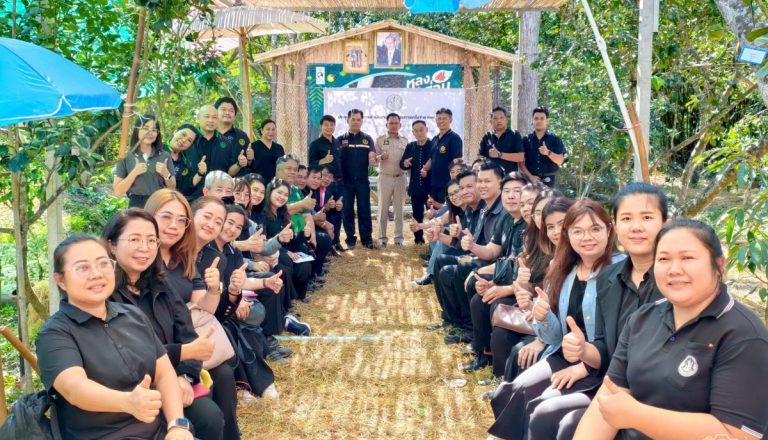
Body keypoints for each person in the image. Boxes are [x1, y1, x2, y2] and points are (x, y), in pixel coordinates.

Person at [574, 219, 768, 440]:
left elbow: (736, 435)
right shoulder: (641, 319)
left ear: (718, 265)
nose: (674, 270)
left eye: (687, 258)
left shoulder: (744, 335)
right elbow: (608, 400)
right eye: (664, 259)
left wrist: (636, 416)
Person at [528, 182, 667, 440]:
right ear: (617, 225)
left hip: (653, 396)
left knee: (557, 419)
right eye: (627, 218)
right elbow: (605, 346)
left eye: (647, 217)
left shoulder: (673, 280)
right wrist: (583, 350)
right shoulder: (609, 278)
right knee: (542, 413)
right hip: (612, 382)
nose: (636, 227)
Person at [487, 199, 624, 440]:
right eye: (577, 231)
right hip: (564, 354)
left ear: (609, 230)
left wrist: (584, 365)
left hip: (601, 365)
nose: (587, 237)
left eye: (595, 229)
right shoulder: (562, 269)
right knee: (512, 391)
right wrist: (543, 316)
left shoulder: (622, 270)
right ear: (568, 235)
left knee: (540, 407)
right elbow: (554, 337)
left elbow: (623, 337)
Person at [37, 234, 193, 440]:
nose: (96, 274)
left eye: (103, 264)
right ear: (61, 280)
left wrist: (177, 425)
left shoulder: (133, 314)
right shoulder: (54, 333)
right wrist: (128, 402)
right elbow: (75, 388)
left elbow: (164, 372)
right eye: (83, 268)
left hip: (156, 431)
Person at [103, 209, 225, 440]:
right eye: (134, 239)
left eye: (151, 241)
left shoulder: (161, 285)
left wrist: (185, 377)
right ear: (112, 245)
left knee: (209, 416)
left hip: (172, 381)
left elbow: (188, 335)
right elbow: (123, 353)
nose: (144, 248)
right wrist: (183, 353)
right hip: (128, 391)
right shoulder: (103, 292)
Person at [143, 189, 242, 440]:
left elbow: (200, 309)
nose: (173, 226)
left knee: (224, 375)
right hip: (154, 352)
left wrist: (215, 288)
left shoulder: (185, 258)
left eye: (180, 220)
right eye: (166, 217)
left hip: (183, 341)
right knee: (207, 412)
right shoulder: (142, 259)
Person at [191, 196, 278, 399]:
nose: (231, 229)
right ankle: (247, 384)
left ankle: (255, 383)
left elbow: (237, 282)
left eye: (238, 227)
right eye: (228, 222)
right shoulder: (198, 251)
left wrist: (257, 286)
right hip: (203, 314)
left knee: (249, 320)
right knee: (236, 327)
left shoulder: (224, 253)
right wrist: (234, 297)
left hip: (216, 307)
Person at [462, 172, 530, 372]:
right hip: (510, 275)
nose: (511, 196)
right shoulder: (507, 219)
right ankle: (483, 350)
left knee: (490, 301)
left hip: (523, 283)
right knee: (478, 290)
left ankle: (493, 354)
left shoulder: (532, 226)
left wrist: (502, 286)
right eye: (507, 191)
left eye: (517, 192)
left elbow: (521, 266)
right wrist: (472, 246)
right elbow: (493, 250)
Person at [113, 114, 176, 208]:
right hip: (136, 205)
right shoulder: (125, 156)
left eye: (154, 130)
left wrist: (166, 174)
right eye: (145, 128)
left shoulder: (164, 155)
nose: (150, 132)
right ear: (137, 130)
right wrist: (134, 173)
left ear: (157, 133)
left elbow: (172, 188)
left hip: (159, 203)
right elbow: (118, 191)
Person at [339, 109, 377, 249]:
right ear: (347, 120)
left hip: (362, 180)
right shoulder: (340, 140)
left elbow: (372, 153)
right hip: (346, 181)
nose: (355, 122)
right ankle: (350, 238)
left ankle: (366, 239)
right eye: (353, 119)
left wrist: (372, 156)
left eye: (358, 119)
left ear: (362, 121)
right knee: (347, 210)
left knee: (364, 209)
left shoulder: (367, 139)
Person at [375, 113, 408, 247]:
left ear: (400, 125)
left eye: (396, 123)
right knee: (383, 209)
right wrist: (380, 157)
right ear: (386, 125)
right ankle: (382, 238)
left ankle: (399, 238)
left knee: (399, 210)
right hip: (385, 177)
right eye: (391, 123)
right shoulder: (380, 140)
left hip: (400, 177)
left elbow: (408, 161)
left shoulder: (405, 141)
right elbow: (373, 159)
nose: (393, 126)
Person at [189, 105, 237, 199]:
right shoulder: (189, 141)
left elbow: (230, 171)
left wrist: (239, 164)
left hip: (219, 197)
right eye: (207, 116)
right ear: (198, 118)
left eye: (214, 117)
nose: (211, 120)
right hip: (192, 197)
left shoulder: (226, 143)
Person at [421, 108, 463, 204]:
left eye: (444, 118)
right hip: (433, 183)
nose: (441, 121)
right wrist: (425, 169)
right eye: (439, 118)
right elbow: (431, 159)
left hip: (447, 184)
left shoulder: (455, 138)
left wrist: (455, 181)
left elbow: (457, 161)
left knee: (446, 209)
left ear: (450, 120)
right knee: (433, 209)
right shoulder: (434, 139)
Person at [400, 120, 432, 245]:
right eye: (416, 131)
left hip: (431, 189)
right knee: (417, 215)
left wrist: (428, 172)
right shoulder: (411, 146)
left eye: (421, 130)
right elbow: (402, 164)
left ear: (426, 130)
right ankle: (418, 239)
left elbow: (437, 163)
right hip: (416, 188)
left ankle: (434, 240)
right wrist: (405, 163)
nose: (419, 133)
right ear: (413, 132)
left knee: (432, 215)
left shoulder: (433, 145)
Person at [520, 107, 567, 188]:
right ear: (532, 121)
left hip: (549, 182)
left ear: (547, 121)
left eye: (542, 118)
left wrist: (548, 153)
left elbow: (560, 161)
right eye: (536, 118)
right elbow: (520, 163)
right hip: (530, 181)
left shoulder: (555, 139)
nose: (539, 121)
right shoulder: (526, 139)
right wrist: (530, 177)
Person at [479, 107, 524, 174]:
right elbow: (480, 156)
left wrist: (499, 154)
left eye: (501, 118)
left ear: (506, 120)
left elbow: (520, 157)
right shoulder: (487, 136)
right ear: (491, 121)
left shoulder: (514, 134)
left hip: (509, 176)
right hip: (491, 176)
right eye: (495, 118)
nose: (499, 121)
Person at [214, 97, 251, 177]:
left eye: (231, 111)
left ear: (235, 115)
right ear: (215, 112)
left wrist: (250, 158)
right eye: (223, 109)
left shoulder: (242, 136)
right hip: (212, 181)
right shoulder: (209, 134)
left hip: (238, 182)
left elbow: (250, 163)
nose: (227, 113)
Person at [167, 124, 204, 202]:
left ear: (190, 145)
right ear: (175, 131)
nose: (184, 140)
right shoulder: (157, 150)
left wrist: (200, 173)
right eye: (183, 134)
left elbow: (185, 188)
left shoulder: (185, 162)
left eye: (189, 140)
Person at [308, 115, 342, 184]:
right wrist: (323, 161)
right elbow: (311, 165)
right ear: (321, 126)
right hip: (324, 182)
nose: (329, 127)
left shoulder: (337, 142)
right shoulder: (315, 144)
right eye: (326, 125)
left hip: (340, 182)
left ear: (334, 126)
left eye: (332, 125)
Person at [248, 119, 285, 184]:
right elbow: (248, 165)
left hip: (275, 184)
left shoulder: (279, 148)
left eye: (273, 129)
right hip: (258, 183)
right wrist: (249, 159)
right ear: (262, 130)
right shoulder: (253, 146)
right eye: (268, 129)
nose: (271, 132)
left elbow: (282, 167)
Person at [318, 165, 344, 252]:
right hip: (313, 217)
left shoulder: (330, 188)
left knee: (337, 214)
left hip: (323, 215)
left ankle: (335, 242)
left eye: (330, 177)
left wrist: (338, 206)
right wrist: (326, 207)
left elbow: (335, 203)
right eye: (324, 175)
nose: (326, 179)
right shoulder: (314, 186)